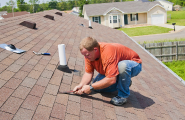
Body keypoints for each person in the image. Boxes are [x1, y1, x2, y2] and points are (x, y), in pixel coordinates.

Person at [73, 36, 142, 106]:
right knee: (97, 86)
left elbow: (111, 79)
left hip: (134, 65)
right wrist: (81, 85)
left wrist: (90, 87)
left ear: (95, 50)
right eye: (84, 55)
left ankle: (123, 95)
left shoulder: (107, 52)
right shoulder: (88, 54)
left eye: (87, 55)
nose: (85, 57)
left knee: (123, 65)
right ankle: (124, 82)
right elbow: (88, 73)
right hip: (115, 69)